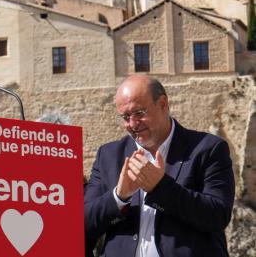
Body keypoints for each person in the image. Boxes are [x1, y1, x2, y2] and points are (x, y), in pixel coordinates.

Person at [84, 75, 235, 257]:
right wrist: (119, 196)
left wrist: (160, 187)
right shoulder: (108, 155)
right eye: (125, 117)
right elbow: (82, 224)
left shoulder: (207, 148)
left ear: (163, 104)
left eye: (139, 113)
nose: (132, 124)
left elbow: (217, 216)